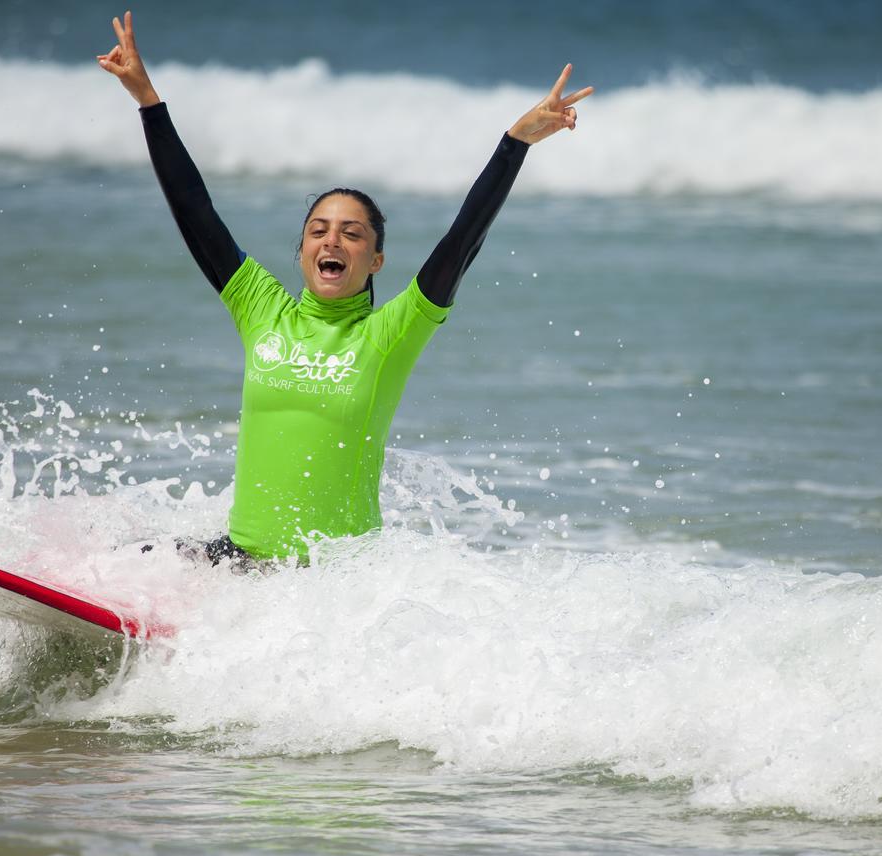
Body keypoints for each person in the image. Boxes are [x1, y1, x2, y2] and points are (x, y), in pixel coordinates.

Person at [98, 11, 592, 565]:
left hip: (331, 588)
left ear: (376, 260)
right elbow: (195, 210)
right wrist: (147, 100)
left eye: (351, 234)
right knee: (119, 558)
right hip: (238, 561)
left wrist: (514, 144)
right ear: (304, 251)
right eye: (318, 230)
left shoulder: (389, 333)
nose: (331, 240)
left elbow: (461, 241)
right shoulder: (263, 309)